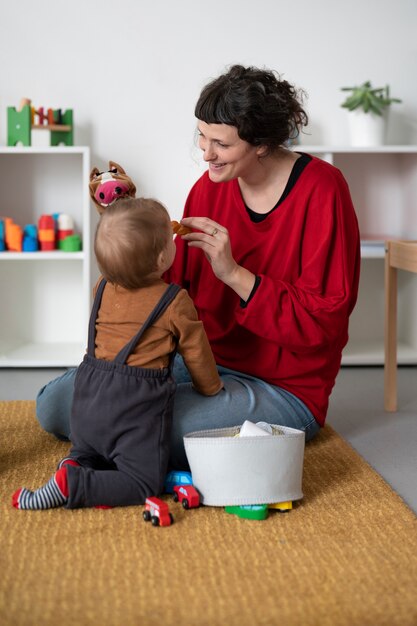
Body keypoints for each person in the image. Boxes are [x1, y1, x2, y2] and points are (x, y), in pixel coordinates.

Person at [35, 64, 360, 471]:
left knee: (143, 427)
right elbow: (169, 288)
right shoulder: (208, 187)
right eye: (201, 137)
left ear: (260, 143)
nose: (206, 153)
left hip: (282, 388)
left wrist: (234, 274)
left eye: (220, 144)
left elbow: (324, 324)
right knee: (54, 406)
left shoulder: (323, 191)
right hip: (196, 359)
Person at [13, 198, 222, 509]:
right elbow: (196, 353)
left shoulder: (102, 287)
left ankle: (76, 463)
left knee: (87, 451)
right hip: (133, 408)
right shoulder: (175, 301)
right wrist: (211, 388)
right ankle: (75, 484)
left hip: (86, 403)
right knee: (144, 481)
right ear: (163, 257)